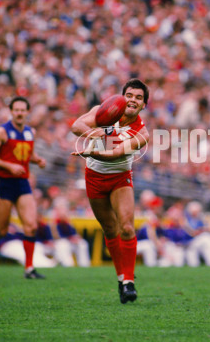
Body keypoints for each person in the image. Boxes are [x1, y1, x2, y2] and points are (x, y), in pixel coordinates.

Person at [70, 79, 149, 304]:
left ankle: (129, 282)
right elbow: (76, 126)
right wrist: (93, 133)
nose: (133, 100)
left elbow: (115, 153)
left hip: (119, 178)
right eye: (130, 95)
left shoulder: (142, 134)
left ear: (144, 105)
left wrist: (93, 152)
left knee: (126, 227)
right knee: (109, 228)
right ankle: (120, 278)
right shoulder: (102, 112)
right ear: (123, 97)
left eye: (139, 97)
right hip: (94, 178)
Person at [0, 97, 47, 279]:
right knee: (1, 230)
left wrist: (38, 159)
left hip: (22, 182)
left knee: (31, 226)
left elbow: (27, 154)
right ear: (11, 111)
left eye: (22, 110)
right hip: (5, 183)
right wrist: (9, 166)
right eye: (16, 110)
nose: (19, 113)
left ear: (27, 112)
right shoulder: (2, 132)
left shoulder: (29, 132)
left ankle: (29, 268)